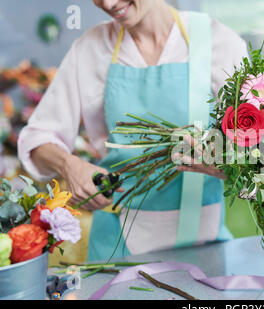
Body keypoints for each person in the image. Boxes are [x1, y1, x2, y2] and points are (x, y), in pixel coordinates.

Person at [18, 0, 248, 261]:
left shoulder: (218, 42)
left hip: (205, 247)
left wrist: (229, 165)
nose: (108, 3)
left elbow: (262, 155)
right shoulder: (90, 49)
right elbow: (37, 138)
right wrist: (69, 165)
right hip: (116, 249)